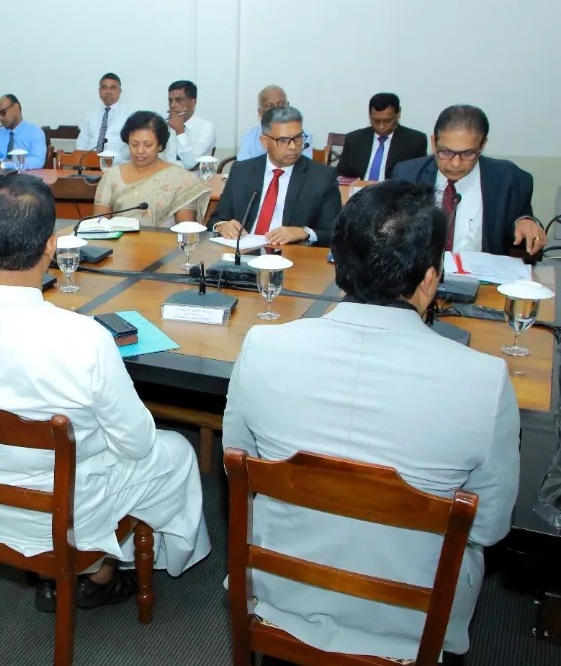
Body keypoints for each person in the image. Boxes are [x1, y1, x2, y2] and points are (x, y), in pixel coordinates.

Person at [222, 180, 519, 663]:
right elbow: (489, 526)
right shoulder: (485, 381)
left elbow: (239, 465)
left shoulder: (262, 347)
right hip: (413, 616)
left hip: (283, 589)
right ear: (429, 279)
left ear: (340, 270)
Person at [0, 174, 211, 612]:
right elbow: (137, 442)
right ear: (52, 245)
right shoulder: (83, 338)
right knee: (175, 450)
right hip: (64, 514)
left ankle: (100, 564)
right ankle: (124, 564)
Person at [391, 104, 543, 256]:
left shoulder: (509, 179)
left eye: (468, 153)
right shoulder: (407, 175)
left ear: (482, 145)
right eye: (446, 152)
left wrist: (525, 222)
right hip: (423, 276)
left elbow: (522, 220)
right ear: (433, 142)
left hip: (484, 277)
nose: (455, 163)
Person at [212, 105, 340, 246]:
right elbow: (217, 218)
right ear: (265, 142)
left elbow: (335, 233)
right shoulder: (241, 171)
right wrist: (222, 225)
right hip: (242, 252)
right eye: (283, 140)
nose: (293, 146)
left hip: (291, 255)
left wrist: (304, 232)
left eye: (298, 138)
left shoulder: (322, 177)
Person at [92, 111, 209, 227]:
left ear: (160, 145)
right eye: (134, 144)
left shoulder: (180, 179)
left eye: (147, 145)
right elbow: (98, 226)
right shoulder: (112, 176)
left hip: (164, 244)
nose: (140, 151)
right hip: (120, 244)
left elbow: (186, 230)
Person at [337, 93, 427, 182]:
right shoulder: (353, 139)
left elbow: (419, 178)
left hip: (394, 193)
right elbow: (341, 175)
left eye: (387, 121)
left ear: (398, 113)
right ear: (369, 116)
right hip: (357, 192)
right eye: (376, 121)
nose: (381, 126)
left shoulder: (415, 141)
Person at [237, 85, 314, 161]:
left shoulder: (303, 136)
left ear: (288, 106)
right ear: (260, 112)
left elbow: (305, 167)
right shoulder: (249, 137)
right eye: (270, 106)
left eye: (281, 104)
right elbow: (243, 167)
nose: (277, 110)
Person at [0, 94, 47, 171]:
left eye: (3, 112)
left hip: (25, 179)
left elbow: (38, 161)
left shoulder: (35, 132)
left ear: (16, 107)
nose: (1, 118)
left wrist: (4, 165)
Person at [76, 72, 131, 155]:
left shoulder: (129, 115)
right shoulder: (91, 114)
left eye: (113, 88)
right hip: (89, 163)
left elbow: (131, 145)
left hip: (118, 164)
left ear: (119, 91)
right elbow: (82, 142)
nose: (108, 92)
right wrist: (81, 162)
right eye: (104, 88)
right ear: (99, 91)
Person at [167, 80, 216, 170]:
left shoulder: (206, 128)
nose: (172, 105)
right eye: (170, 101)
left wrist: (180, 131)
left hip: (196, 181)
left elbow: (190, 163)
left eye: (178, 100)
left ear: (192, 103)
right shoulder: (165, 126)